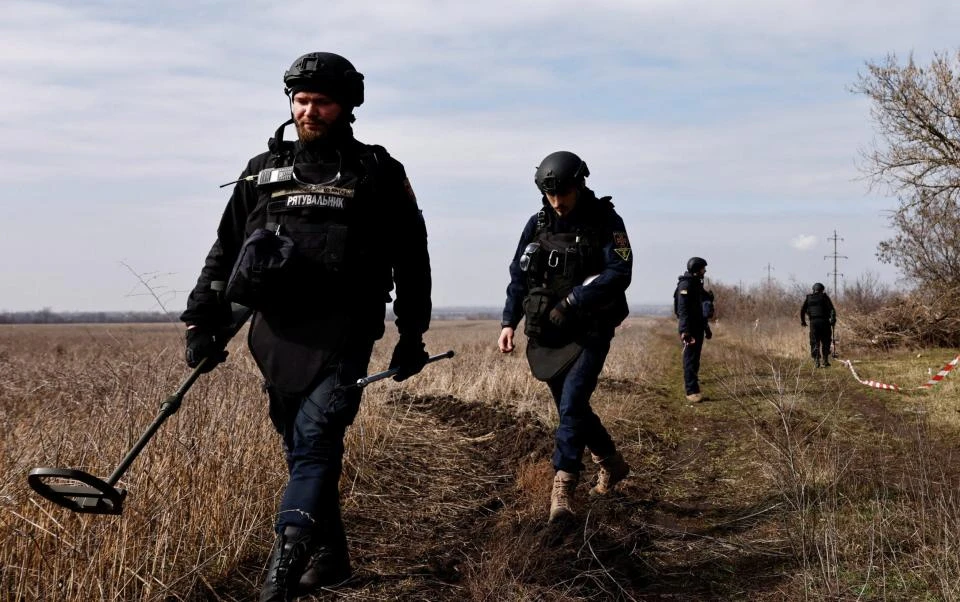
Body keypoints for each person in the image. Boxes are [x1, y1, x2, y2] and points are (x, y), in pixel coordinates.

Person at [179, 52, 432, 601]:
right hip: (275, 336)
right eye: (300, 100)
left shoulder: (379, 172)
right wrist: (203, 319)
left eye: (320, 101)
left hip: (345, 332)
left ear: (346, 106)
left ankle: (283, 566)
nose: (308, 110)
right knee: (301, 448)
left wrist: (412, 333)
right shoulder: (261, 171)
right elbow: (225, 251)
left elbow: (412, 257)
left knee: (317, 442)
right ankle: (332, 556)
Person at [498, 150, 632, 523]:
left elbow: (620, 271)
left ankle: (564, 485)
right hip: (548, 331)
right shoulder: (538, 222)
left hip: (591, 326)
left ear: (580, 184)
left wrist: (574, 301)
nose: (557, 203)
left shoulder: (607, 220)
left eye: (564, 194)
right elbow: (519, 275)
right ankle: (612, 463)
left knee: (572, 402)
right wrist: (509, 321)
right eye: (549, 195)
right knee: (571, 408)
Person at [675, 257, 710, 402]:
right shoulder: (686, 285)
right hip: (690, 328)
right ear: (697, 269)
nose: (705, 271)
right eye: (703, 268)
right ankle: (691, 392)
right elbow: (683, 310)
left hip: (698, 326)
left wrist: (706, 328)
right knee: (689, 359)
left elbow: (700, 309)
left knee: (695, 360)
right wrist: (685, 331)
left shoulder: (696, 284)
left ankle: (695, 390)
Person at [800, 282, 836, 367]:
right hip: (825, 322)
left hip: (814, 323)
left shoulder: (809, 298)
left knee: (814, 342)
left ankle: (816, 361)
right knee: (826, 341)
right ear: (822, 290)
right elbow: (832, 310)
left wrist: (803, 321)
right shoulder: (824, 297)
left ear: (813, 290)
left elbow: (802, 310)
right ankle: (825, 360)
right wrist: (833, 319)